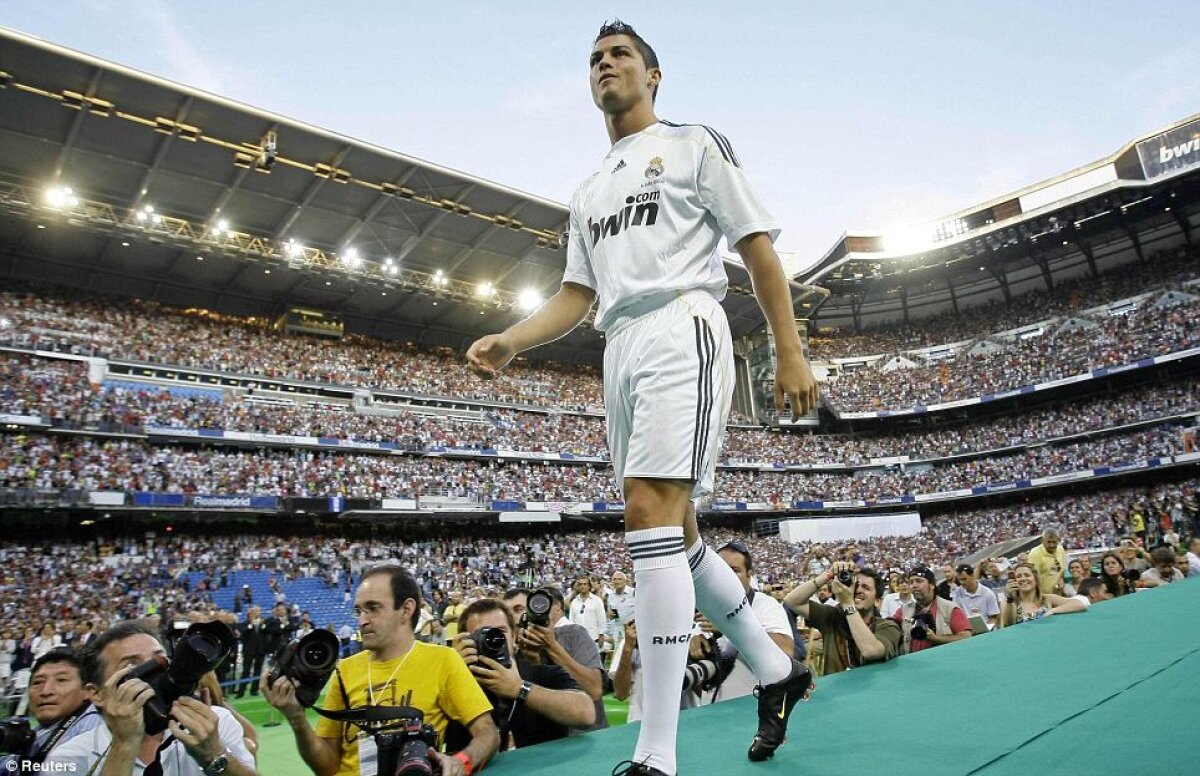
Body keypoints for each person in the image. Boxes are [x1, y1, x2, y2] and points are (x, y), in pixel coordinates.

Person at [466, 19, 815, 774]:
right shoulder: (590, 189)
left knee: (646, 514)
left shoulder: (693, 144)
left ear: (653, 76)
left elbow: (757, 246)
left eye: (620, 55)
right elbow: (573, 294)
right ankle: (780, 671)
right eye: (595, 59)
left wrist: (789, 350)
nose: (605, 66)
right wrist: (512, 339)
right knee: (678, 534)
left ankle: (656, 754)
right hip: (618, 346)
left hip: (681, 323)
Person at [262, 565, 498, 776]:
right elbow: (328, 767)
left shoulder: (442, 660)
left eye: (373, 608)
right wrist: (296, 718)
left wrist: (461, 762)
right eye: (359, 611)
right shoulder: (345, 670)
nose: (362, 620)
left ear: (406, 610)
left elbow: (488, 734)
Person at [44, 622, 257, 776]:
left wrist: (214, 755)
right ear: (96, 693)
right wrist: (124, 746)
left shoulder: (215, 724)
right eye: (131, 664)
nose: (157, 669)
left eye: (160, 658)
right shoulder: (69, 757)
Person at [451, 598, 594, 750]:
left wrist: (519, 688)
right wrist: (453, 667)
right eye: (482, 633)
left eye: (501, 631)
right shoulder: (454, 684)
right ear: (464, 640)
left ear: (514, 637)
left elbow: (585, 713)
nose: (494, 638)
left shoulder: (543, 673)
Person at [693, 542, 796, 701]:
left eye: (734, 570)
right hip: (713, 709)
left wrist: (730, 628)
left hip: (754, 706)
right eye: (721, 570)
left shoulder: (765, 605)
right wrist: (692, 644)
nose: (726, 576)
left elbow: (785, 652)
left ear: (749, 574)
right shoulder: (706, 607)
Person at [514, 586, 608, 734]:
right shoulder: (513, 647)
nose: (534, 611)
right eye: (518, 610)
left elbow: (594, 689)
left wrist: (552, 646)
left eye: (541, 604)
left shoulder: (574, 634)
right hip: (546, 744)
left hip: (586, 739)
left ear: (557, 607)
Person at [783, 562, 900, 676]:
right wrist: (829, 574)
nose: (858, 590)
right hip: (836, 692)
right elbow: (792, 602)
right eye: (856, 585)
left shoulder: (889, 627)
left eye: (866, 588)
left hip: (874, 692)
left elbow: (870, 651)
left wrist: (848, 603)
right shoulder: (833, 617)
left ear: (877, 601)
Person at [0, 648, 101, 770]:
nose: (45, 691)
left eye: (61, 680)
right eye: (38, 682)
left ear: (88, 691)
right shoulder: (42, 731)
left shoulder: (93, 727)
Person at [892, 566, 973, 653]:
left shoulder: (950, 609)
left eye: (919, 581)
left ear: (932, 585)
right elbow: (890, 625)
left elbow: (966, 637)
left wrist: (936, 639)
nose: (914, 585)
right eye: (911, 582)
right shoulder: (904, 610)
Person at [1000, 563, 1087, 626]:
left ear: (1036, 579)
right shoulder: (1009, 602)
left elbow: (1079, 605)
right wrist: (1010, 599)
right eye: (1019, 576)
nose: (1023, 579)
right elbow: (1008, 624)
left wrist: (1053, 611)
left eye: (1027, 575)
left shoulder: (1047, 599)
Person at [951, 563, 1001, 629]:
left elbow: (994, 618)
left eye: (964, 579)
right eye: (959, 580)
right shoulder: (958, 592)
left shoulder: (988, 593)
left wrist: (985, 629)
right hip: (967, 630)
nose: (962, 582)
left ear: (972, 575)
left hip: (986, 630)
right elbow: (957, 614)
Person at [234, 606, 267, 698]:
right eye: (254, 611)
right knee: (246, 671)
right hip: (248, 650)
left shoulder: (264, 622)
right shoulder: (244, 624)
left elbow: (267, 633)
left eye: (258, 611)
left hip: (260, 650)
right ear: (250, 613)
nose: (256, 613)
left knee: (258, 670)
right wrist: (251, 625)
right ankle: (241, 691)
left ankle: (254, 690)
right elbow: (243, 634)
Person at [566, 576, 608, 646]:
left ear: (589, 586)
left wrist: (601, 635)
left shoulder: (597, 600)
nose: (583, 586)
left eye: (585, 584)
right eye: (580, 584)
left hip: (594, 638)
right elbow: (571, 621)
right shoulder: (574, 602)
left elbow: (602, 618)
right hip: (578, 639)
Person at [1027, 527, 1067, 596]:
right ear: (1042, 540)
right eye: (1049, 542)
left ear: (1058, 540)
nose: (1052, 545)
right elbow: (1033, 578)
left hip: (1059, 594)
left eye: (1054, 542)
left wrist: (1061, 579)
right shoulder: (1035, 553)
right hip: (1043, 596)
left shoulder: (1061, 550)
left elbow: (1062, 570)